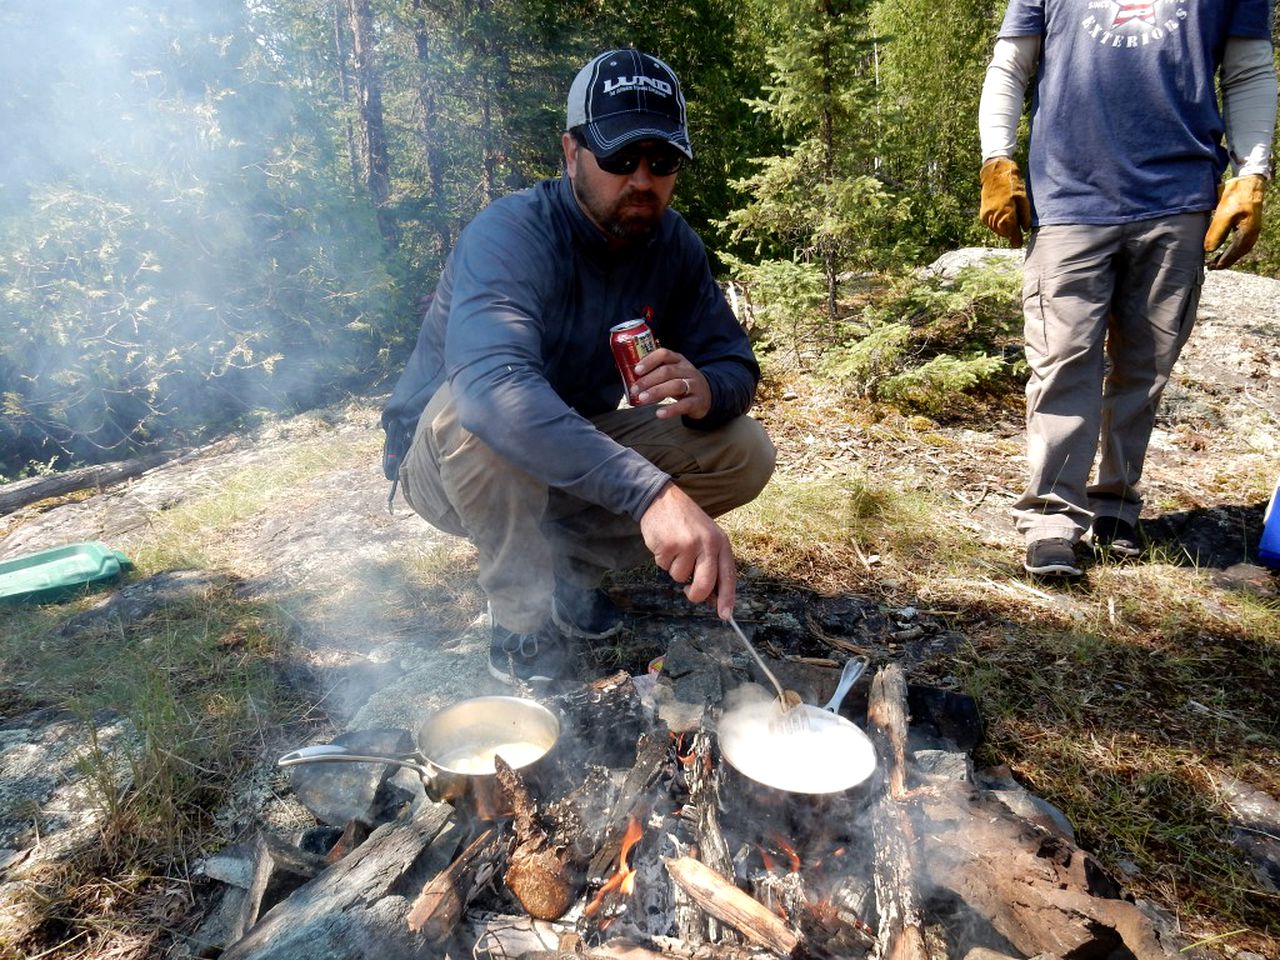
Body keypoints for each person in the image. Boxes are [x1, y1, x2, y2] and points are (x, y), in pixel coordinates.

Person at [382, 49, 776, 681]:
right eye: (619, 158)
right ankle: (521, 623)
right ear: (571, 153)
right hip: (443, 462)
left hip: (560, 446)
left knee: (742, 448)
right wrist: (651, 494)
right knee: (476, 410)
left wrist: (708, 388)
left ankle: (571, 578)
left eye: (662, 161)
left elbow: (734, 361)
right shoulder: (511, 234)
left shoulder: (672, 243)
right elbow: (490, 394)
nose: (642, 179)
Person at [978, 0, 1277, 578]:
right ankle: (1052, 520)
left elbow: (1248, 71)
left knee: (1146, 364)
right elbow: (1010, 65)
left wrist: (1252, 171)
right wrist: (997, 159)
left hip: (1180, 195)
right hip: (1067, 196)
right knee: (1064, 361)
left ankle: (1116, 506)